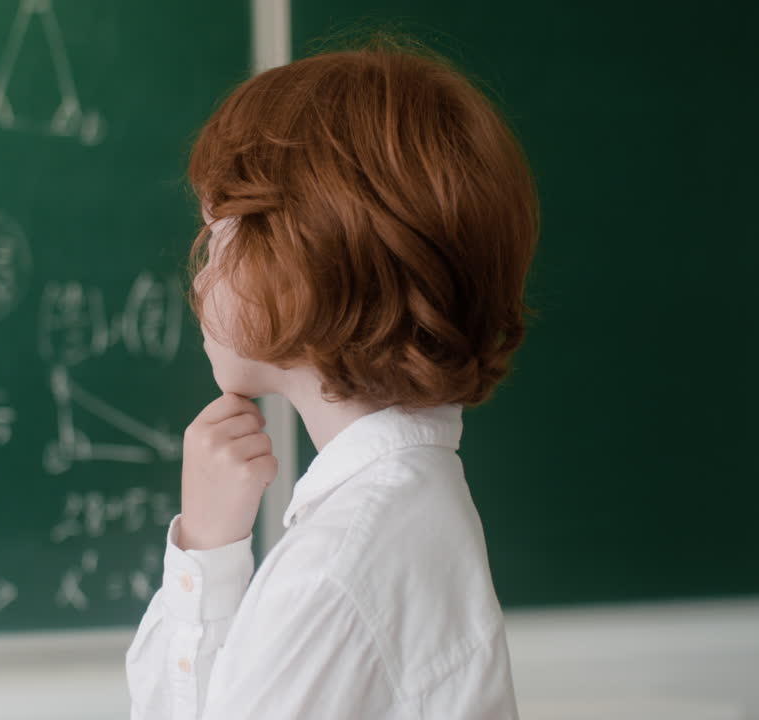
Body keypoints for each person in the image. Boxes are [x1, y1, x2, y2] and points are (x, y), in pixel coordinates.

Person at [126, 35, 539, 719]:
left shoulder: (334, 572)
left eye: (220, 233)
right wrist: (209, 546)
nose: (198, 271)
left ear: (305, 264)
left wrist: (206, 560)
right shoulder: (407, 505)